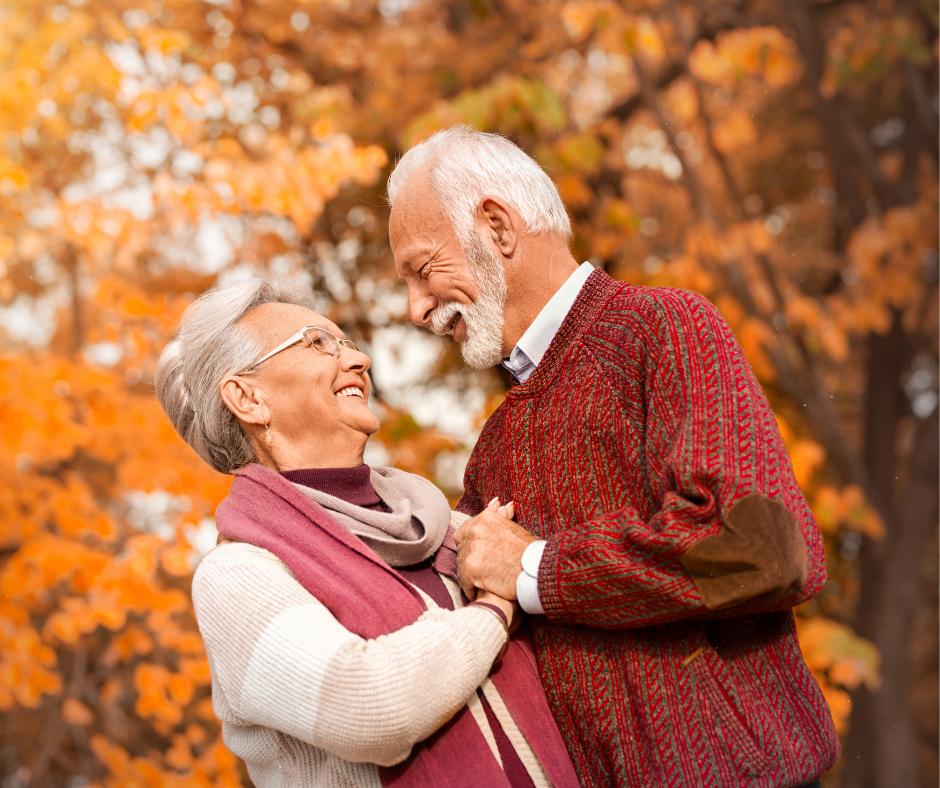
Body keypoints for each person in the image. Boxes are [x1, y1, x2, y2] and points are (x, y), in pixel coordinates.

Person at [387, 125, 840, 788]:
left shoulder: (665, 327)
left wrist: (536, 568)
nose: (414, 305)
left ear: (496, 228)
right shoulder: (493, 446)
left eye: (423, 270)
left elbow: (766, 550)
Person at [154, 276, 579, 788]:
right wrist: (494, 608)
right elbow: (366, 703)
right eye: (318, 344)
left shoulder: (452, 529)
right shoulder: (238, 573)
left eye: (349, 344)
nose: (359, 361)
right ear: (248, 399)